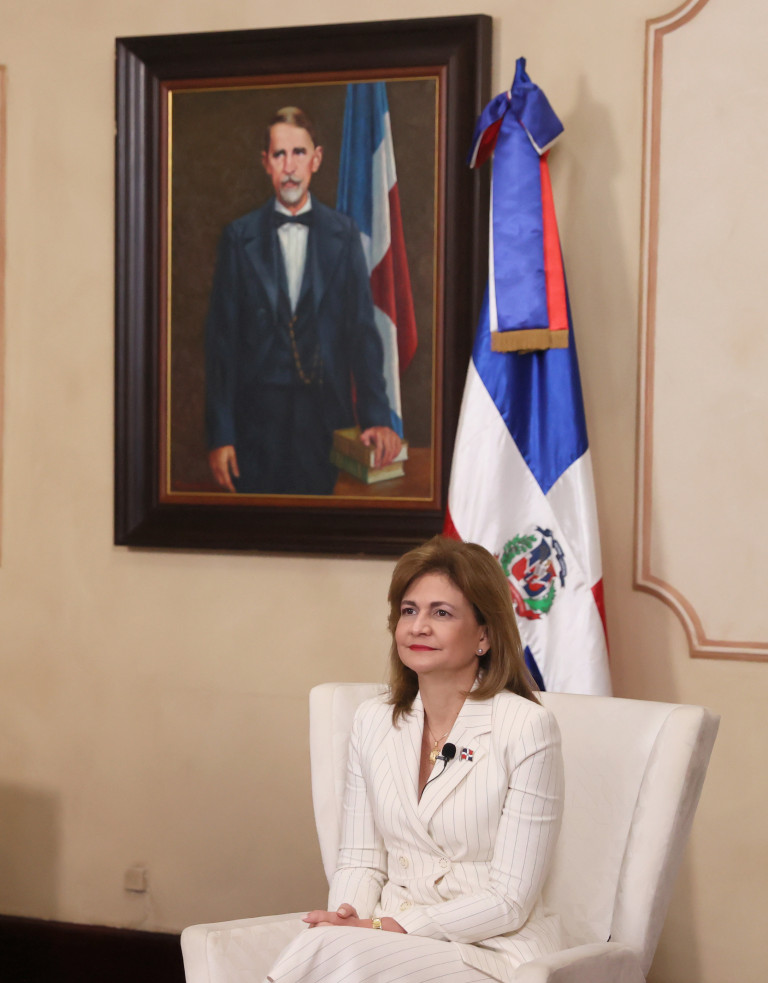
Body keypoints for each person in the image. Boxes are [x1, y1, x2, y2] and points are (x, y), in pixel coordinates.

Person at [265, 536, 565, 983]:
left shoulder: (526, 727)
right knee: (330, 943)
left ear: (484, 635)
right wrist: (349, 918)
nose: (418, 627)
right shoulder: (373, 720)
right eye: (409, 611)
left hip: (490, 950)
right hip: (387, 938)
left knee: (331, 953)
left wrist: (390, 928)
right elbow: (361, 861)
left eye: (441, 613)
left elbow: (510, 900)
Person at [205, 106, 402, 495]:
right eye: (279, 154)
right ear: (266, 163)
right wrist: (221, 434)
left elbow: (362, 333)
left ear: (317, 158)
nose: (290, 167)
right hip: (254, 427)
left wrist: (377, 417)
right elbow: (222, 345)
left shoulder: (344, 234)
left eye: (299, 153)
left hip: (326, 425)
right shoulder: (238, 238)